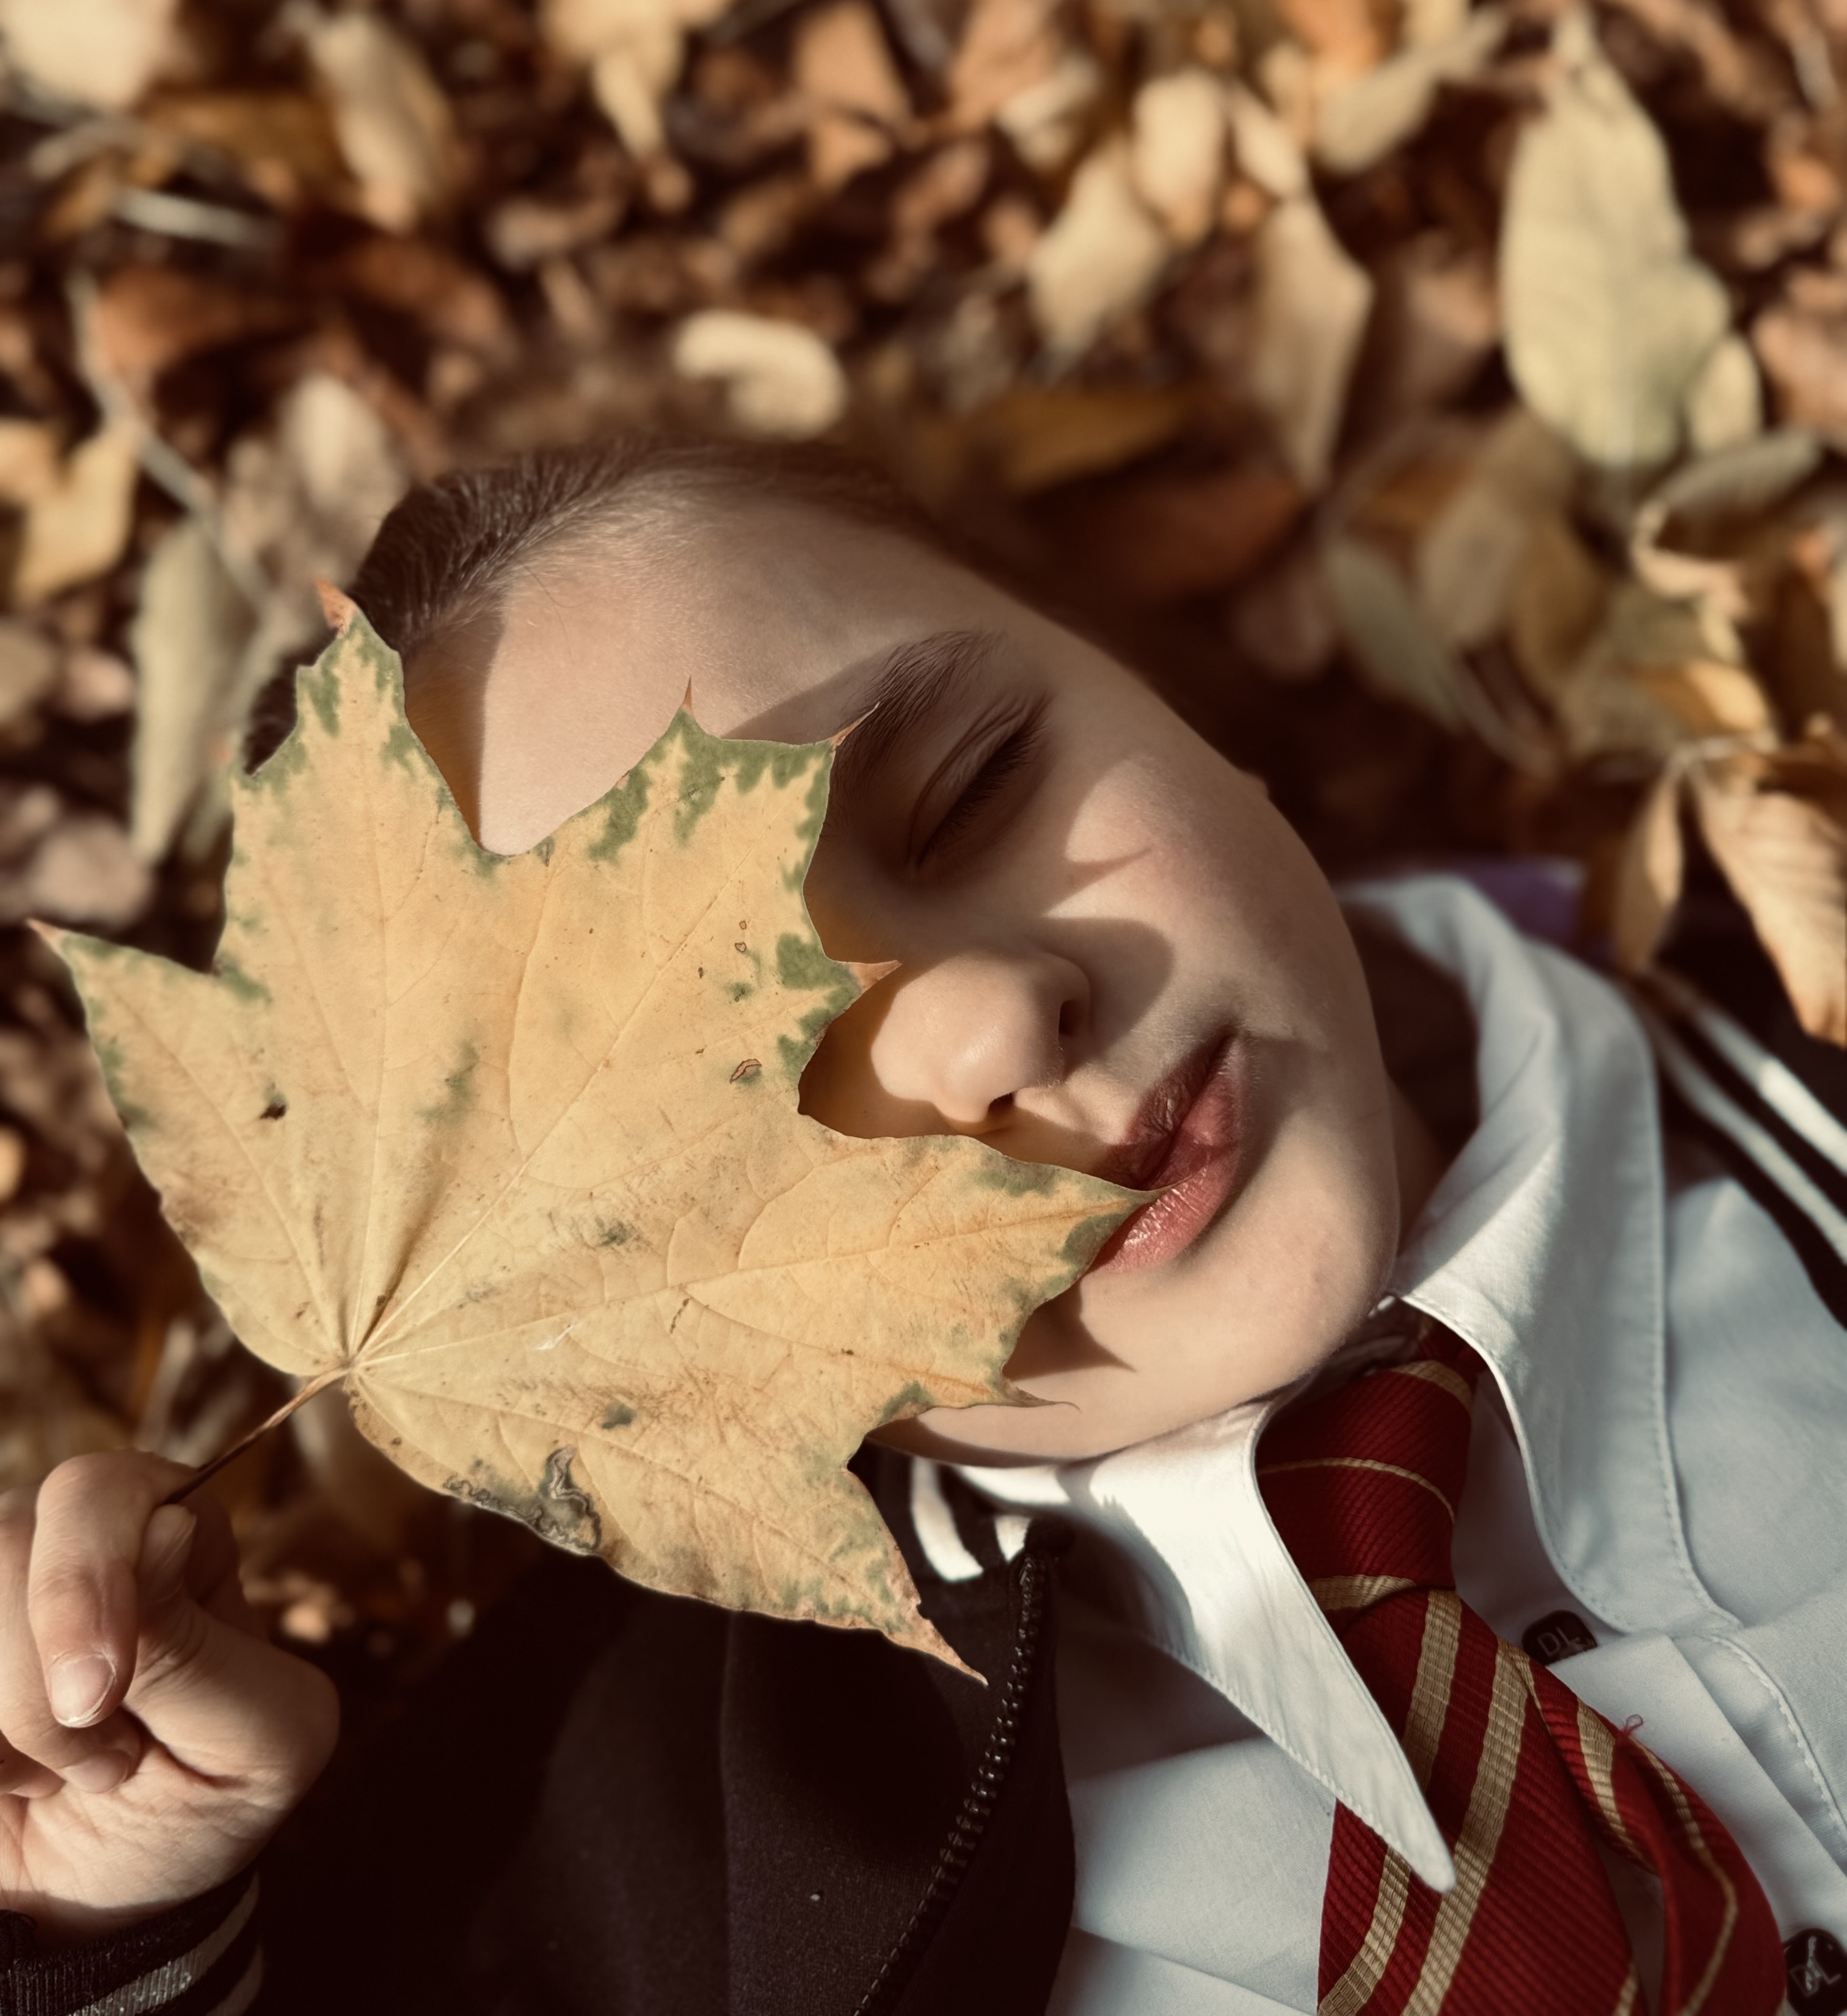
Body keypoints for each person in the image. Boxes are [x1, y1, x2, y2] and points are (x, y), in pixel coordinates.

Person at [2, 434, 1844, 2016]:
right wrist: (117, 1929)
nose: (983, 1027)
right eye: (738, 1090)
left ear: (1162, 692)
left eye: (970, 790)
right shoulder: (628, 1858)